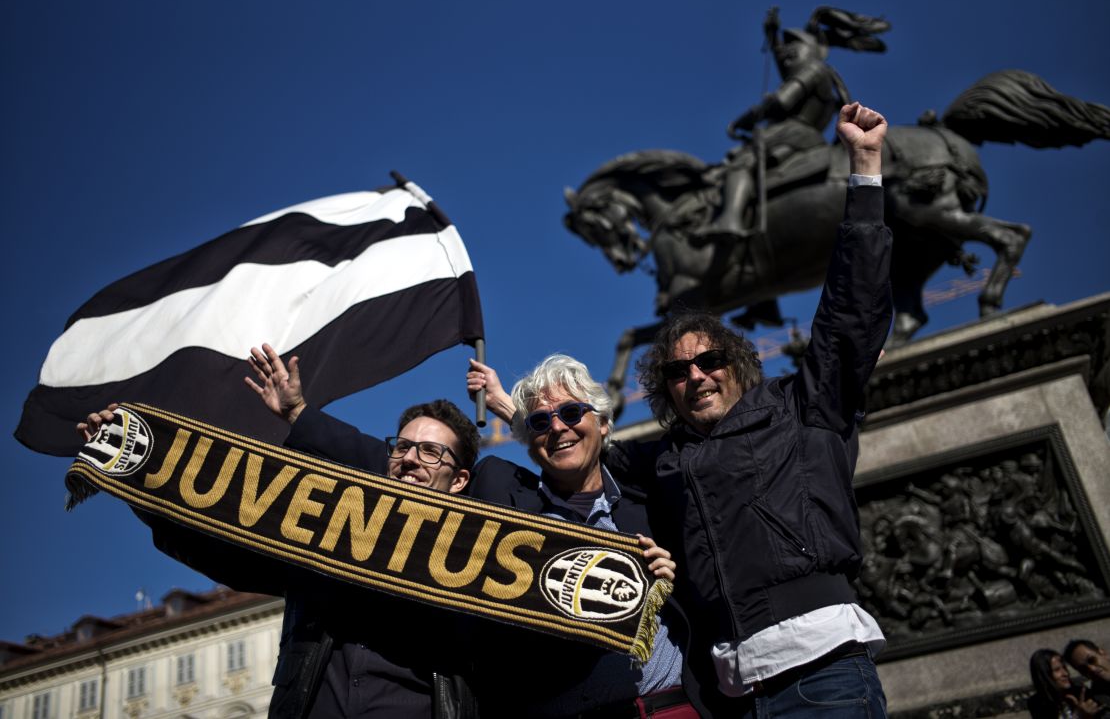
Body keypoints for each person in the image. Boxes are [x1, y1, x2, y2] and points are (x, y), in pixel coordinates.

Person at [470, 101, 891, 716]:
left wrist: (865, 170)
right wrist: (518, 413)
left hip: (822, 675)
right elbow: (582, 445)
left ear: (738, 363)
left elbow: (851, 316)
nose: (696, 376)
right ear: (663, 388)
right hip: (732, 696)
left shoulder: (804, 410)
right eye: (676, 371)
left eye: (710, 361)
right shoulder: (663, 460)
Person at [249, 349, 706, 717]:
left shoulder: (647, 494)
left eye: (571, 412)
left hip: (665, 706)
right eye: (543, 423)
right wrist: (301, 415)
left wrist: (669, 574)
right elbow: (402, 468)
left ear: (604, 423)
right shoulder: (504, 493)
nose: (559, 428)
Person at [79, 345, 482, 719]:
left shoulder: (478, 566)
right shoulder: (326, 531)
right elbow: (217, 548)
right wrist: (134, 475)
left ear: (460, 480)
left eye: (430, 452)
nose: (410, 459)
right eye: (401, 447)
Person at [702, 6, 888, 240]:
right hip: (806, 138)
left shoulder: (812, 70)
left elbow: (782, 100)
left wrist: (745, 119)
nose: (785, 52)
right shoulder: (824, 74)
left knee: (741, 163)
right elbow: (783, 60)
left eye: (793, 47)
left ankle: (729, 219)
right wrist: (772, 36)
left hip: (790, 134)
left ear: (807, 50)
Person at [1028, 648, 1105, 719]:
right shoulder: (1038, 704)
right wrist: (1078, 716)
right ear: (1044, 675)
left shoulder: (1081, 693)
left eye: (1064, 667)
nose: (1065, 673)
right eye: (1057, 670)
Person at [1064, 640, 1110, 712]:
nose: (1092, 669)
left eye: (1091, 660)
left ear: (1103, 653)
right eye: (1083, 669)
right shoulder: (1098, 703)